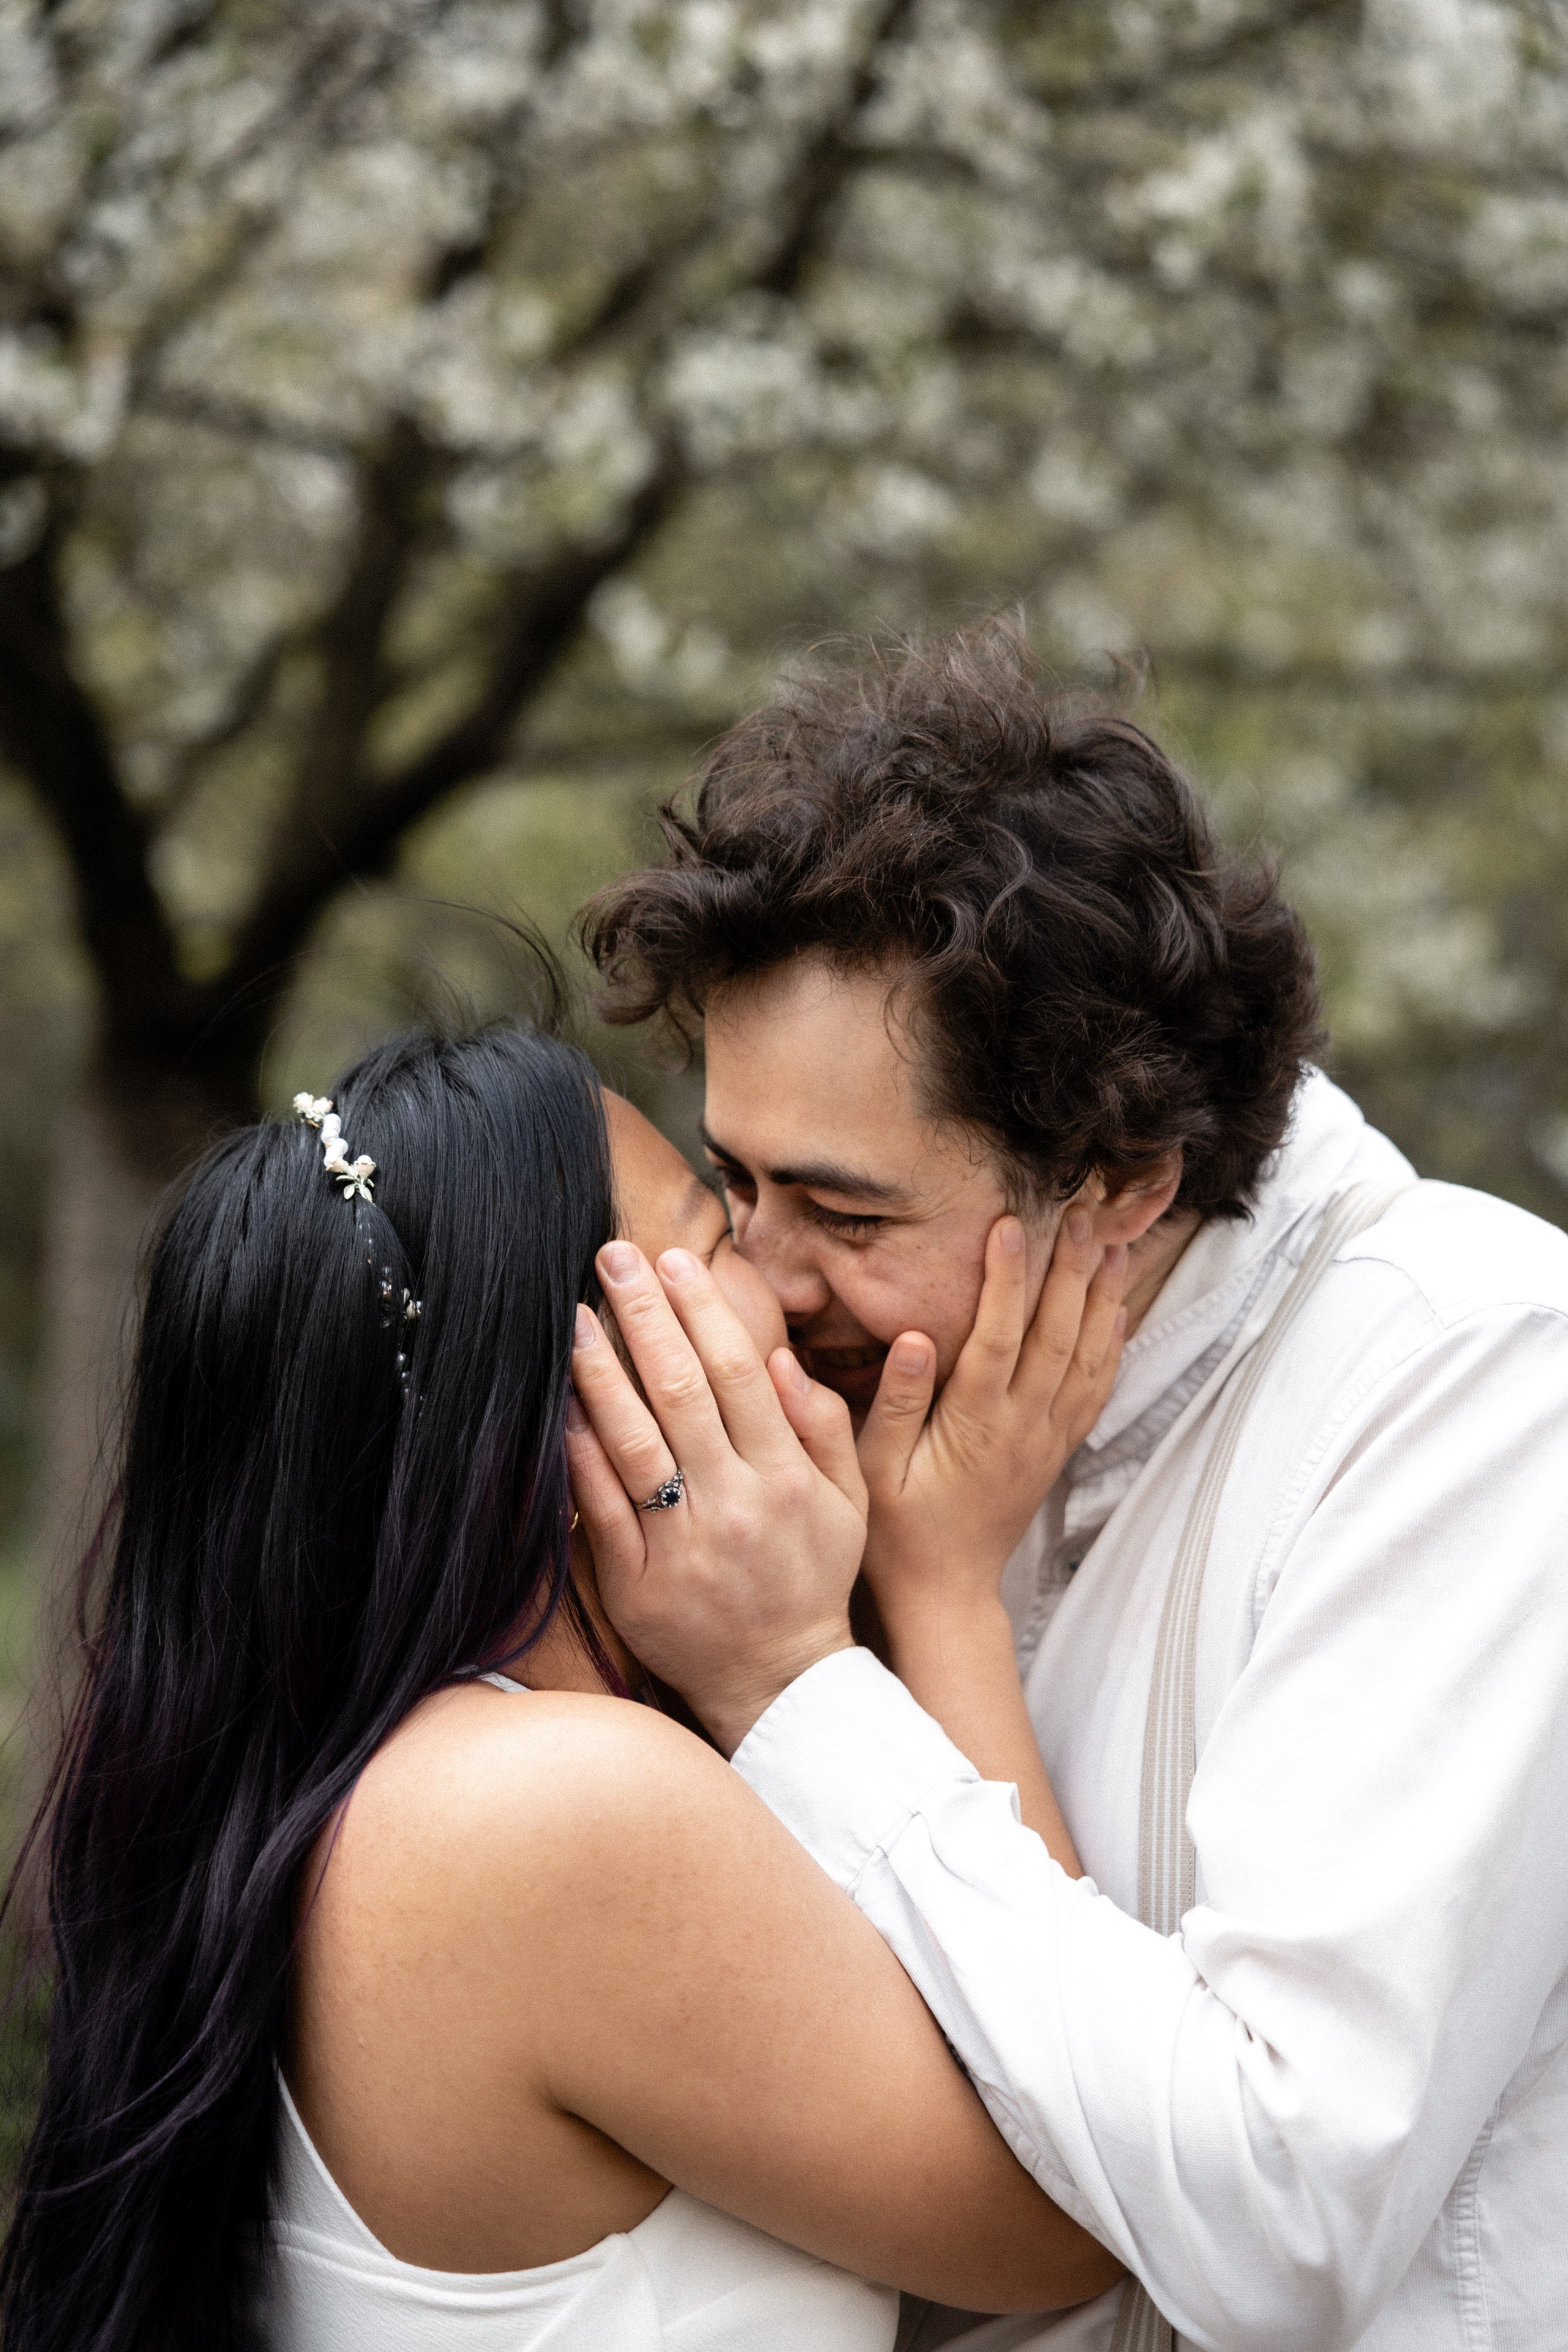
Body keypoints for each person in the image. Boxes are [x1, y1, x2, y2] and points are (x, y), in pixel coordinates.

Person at [574, 624, 1568, 2352]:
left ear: (1117, 1188)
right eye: (738, 1180)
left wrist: (804, 1684)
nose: (763, 1279)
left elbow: (1285, 2220)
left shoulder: (1473, 1378)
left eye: (847, 1212)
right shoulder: (863, 1399)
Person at [0, 1024, 1123, 2352]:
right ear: (578, 1401)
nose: (780, 1285)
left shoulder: (387, 1791)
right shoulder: (553, 1810)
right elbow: (1094, 2200)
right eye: (714, 1240)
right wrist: (920, 1605)